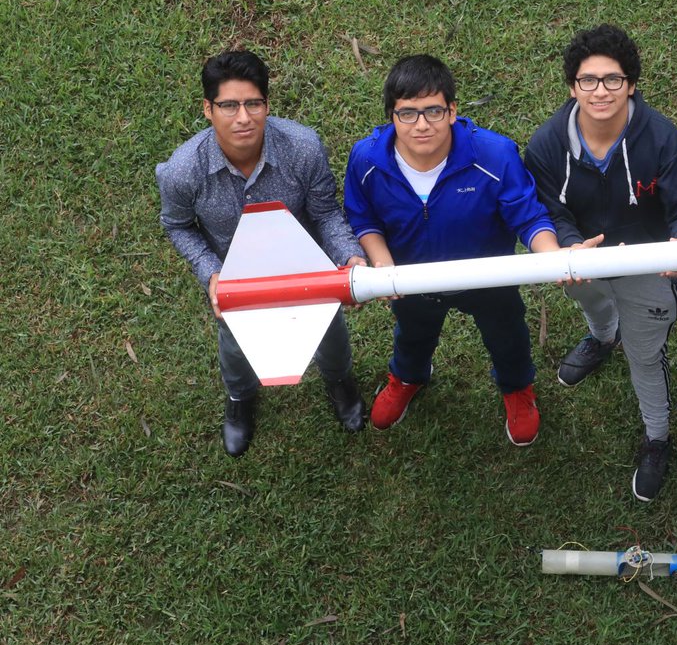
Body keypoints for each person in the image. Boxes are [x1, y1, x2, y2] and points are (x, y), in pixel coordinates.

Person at [344, 54, 565, 446]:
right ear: (391, 116)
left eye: (433, 111)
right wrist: (383, 264)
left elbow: (528, 216)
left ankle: (517, 387)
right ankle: (408, 376)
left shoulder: (495, 155)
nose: (422, 125)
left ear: (453, 111)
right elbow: (364, 219)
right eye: (408, 113)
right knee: (412, 335)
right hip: (410, 280)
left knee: (508, 337)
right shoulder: (366, 160)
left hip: (489, 279)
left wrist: (555, 258)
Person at [157, 50, 367, 457]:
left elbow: (325, 213)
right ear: (207, 108)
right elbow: (177, 225)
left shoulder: (302, 147)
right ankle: (240, 397)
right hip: (237, 276)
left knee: (330, 332)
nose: (243, 118)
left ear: (267, 105)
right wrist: (212, 273)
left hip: (306, 267)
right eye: (229, 106)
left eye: (253, 104)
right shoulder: (183, 171)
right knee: (235, 345)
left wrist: (349, 257)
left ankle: (339, 381)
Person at [525, 24, 677, 501]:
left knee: (645, 357)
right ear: (572, 87)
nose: (600, 91)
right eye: (588, 80)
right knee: (592, 303)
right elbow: (548, 209)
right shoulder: (547, 145)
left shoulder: (662, 138)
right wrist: (569, 246)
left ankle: (657, 437)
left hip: (648, 268)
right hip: (580, 261)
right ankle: (604, 338)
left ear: (631, 84)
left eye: (613, 79)